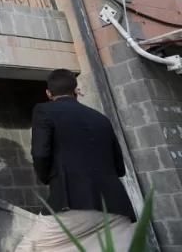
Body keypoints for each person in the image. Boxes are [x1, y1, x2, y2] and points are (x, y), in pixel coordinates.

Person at [15, 69, 136, 251]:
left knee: (28, 249)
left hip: (71, 203)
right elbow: (119, 167)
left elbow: (40, 153)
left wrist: (48, 178)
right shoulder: (101, 118)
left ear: (48, 93)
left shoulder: (44, 111)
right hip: (116, 207)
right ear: (75, 90)